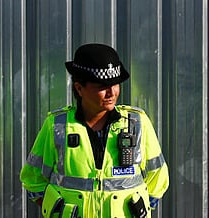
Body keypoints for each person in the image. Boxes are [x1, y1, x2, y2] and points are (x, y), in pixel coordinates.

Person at [20, 43, 170, 217]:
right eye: (102, 87)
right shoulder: (56, 126)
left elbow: (158, 179)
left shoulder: (137, 123)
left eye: (115, 84)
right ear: (79, 88)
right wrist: (58, 212)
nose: (111, 93)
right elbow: (33, 180)